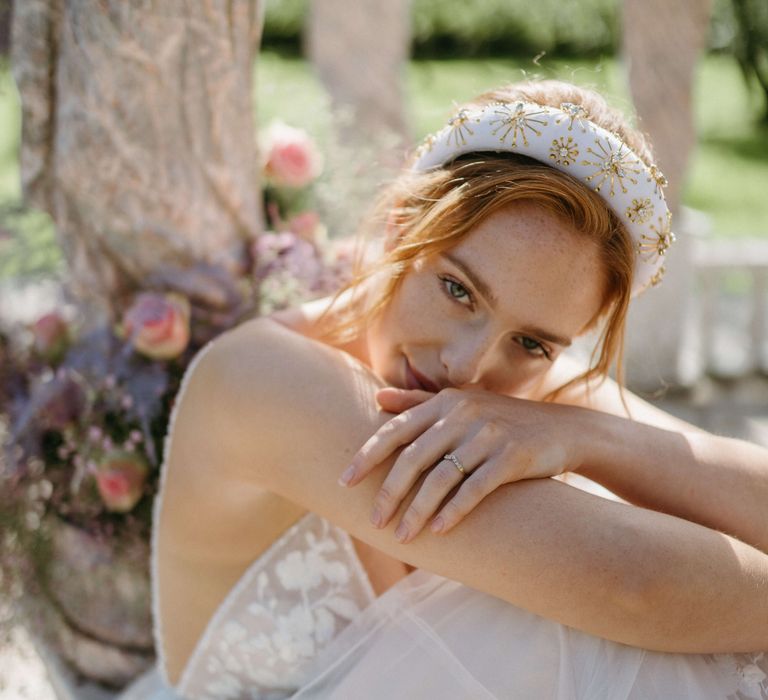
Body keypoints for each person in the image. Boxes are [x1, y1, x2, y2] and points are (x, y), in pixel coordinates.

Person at [123, 80, 768, 699]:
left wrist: (587, 435)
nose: (467, 367)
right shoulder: (262, 378)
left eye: (533, 342)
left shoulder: (530, 392)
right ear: (403, 227)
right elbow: (633, 584)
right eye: (458, 290)